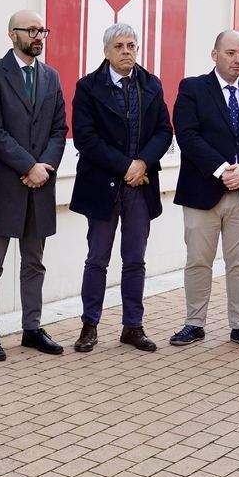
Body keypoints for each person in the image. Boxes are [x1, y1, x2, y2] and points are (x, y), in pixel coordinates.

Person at [170, 29, 239, 351]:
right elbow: (187, 135)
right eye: (231, 53)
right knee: (198, 261)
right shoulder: (193, 89)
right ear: (215, 54)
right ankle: (194, 323)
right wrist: (222, 169)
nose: (238, 59)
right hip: (203, 191)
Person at [69, 23, 173, 353]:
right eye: (120, 46)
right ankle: (89, 326)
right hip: (103, 184)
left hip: (140, 187)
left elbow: (163, 131)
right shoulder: (87, 87)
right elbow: (86, 139)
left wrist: (142, 162)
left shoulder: (150, 85)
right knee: (97, 258)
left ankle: (133, 326)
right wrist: (126, 166)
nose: (127, 51)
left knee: (135, 260)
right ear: (106, 51)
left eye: (132, 45)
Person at [0, 10, 68, 360]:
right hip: (5, 184)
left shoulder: (51, 77)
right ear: (11, 34)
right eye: (31, 30)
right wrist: (28, 165)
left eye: (42, 29)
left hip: (41, 183)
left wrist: (44, 167)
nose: (38, 35)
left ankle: (32, 327)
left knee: (34, 262)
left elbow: (60, 129)